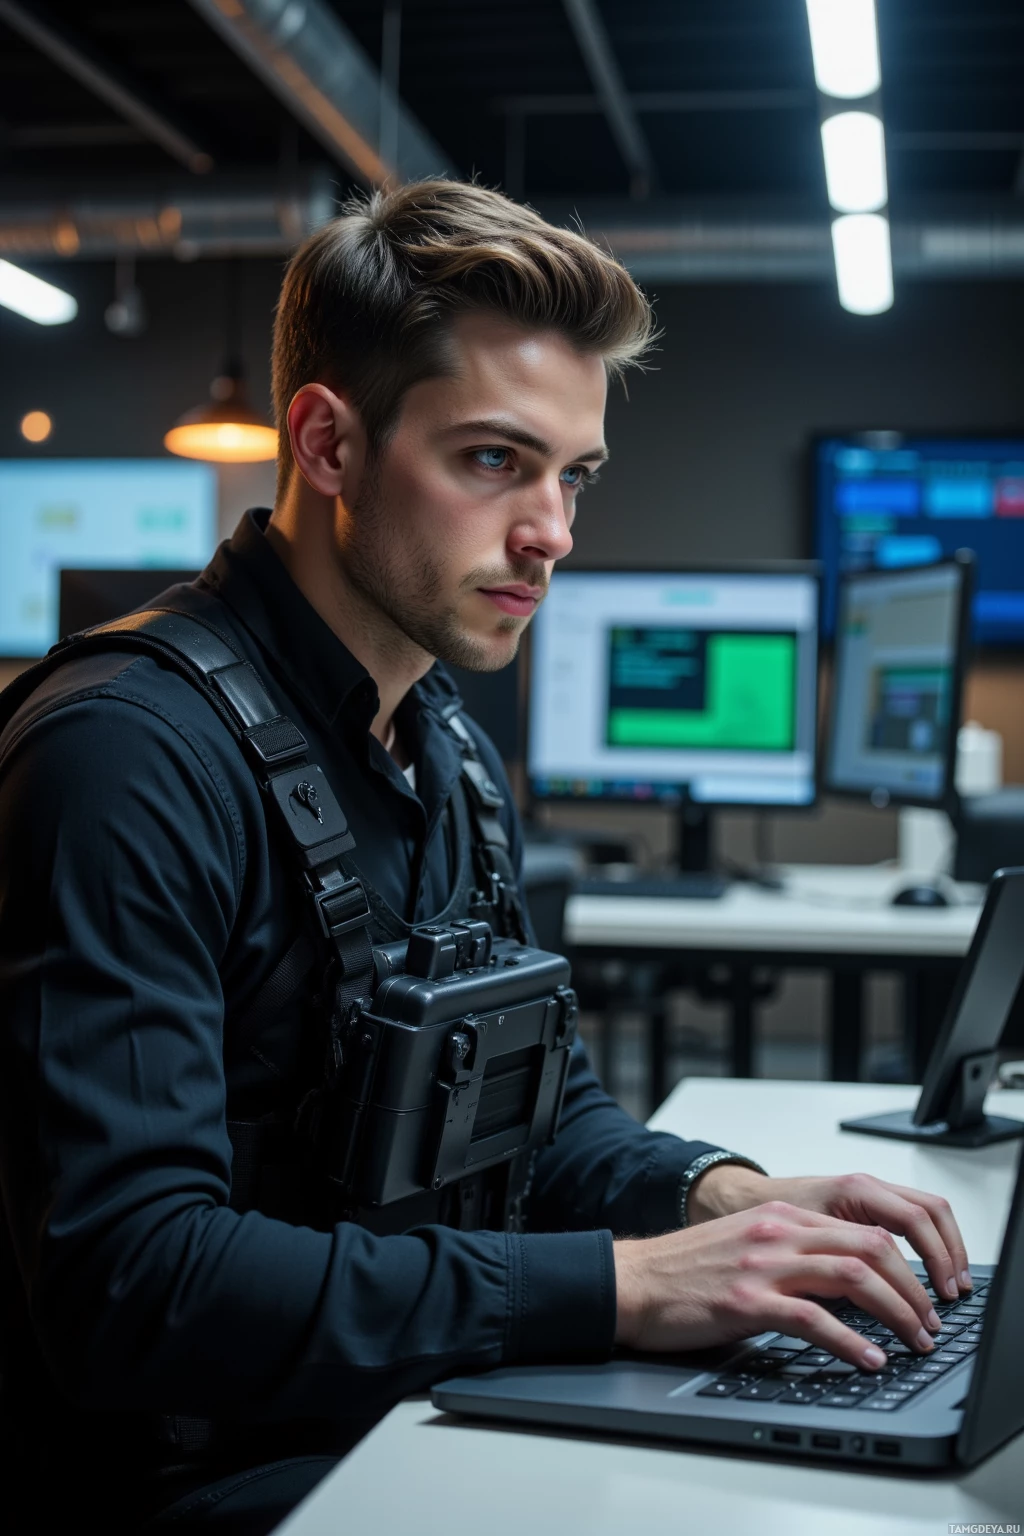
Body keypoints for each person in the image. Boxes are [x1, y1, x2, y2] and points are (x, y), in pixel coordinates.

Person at [0, 181, 970, 1533]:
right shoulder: (128, 755)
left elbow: (545, 1117)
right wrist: (633, 1288)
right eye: (494, 462)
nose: (555, 535)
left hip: (390, 1400)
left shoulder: (442, 744)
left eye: (572, 476)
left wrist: (723, 1199)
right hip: (208, 1479)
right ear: (328, 444)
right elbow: (135, 1283)